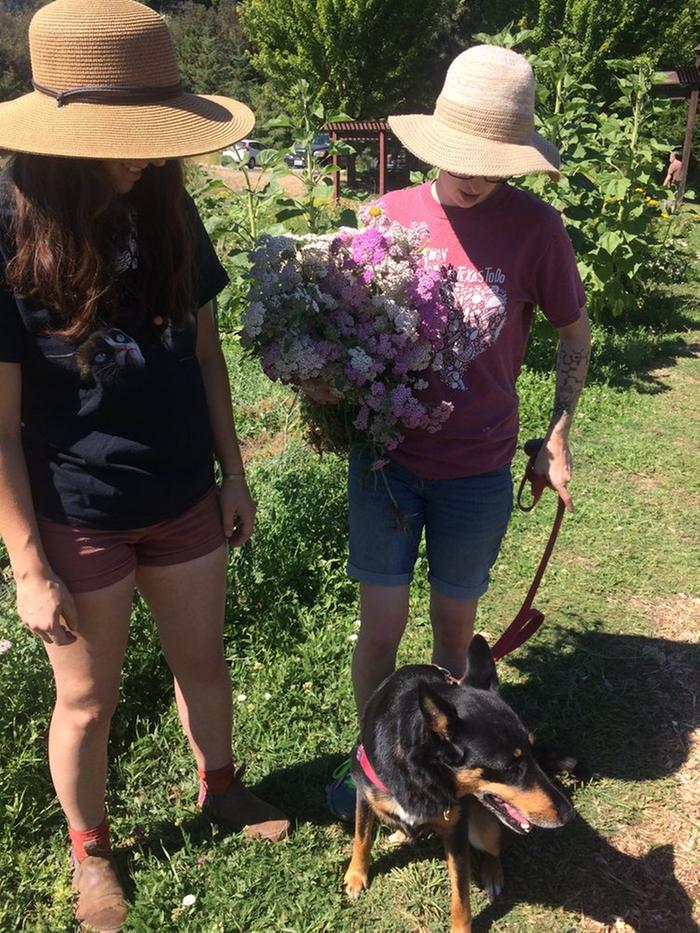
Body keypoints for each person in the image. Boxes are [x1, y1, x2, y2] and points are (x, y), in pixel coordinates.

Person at [0, 1, 289, 930]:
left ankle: (221, 787)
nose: (149, 155)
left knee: (203, 662)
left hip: (182, 492)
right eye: (130, 138)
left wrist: (234, 473)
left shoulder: (166, 200)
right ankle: (92, 855)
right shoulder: (11, 227)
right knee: (86, 701)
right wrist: (26, 564)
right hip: (76, 507)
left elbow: (205, 354)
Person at [319, 44, 592, 820]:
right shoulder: (387, 216)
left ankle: (442, 776)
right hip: (387, 466)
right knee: (380, 628)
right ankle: (371, 763)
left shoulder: (538, 230)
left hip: (477, 469)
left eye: (493, 162)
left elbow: (576, 336)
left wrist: (557, 432)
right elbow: (345, 331)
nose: (474, 175)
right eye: (461, 156)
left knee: (454, 631)